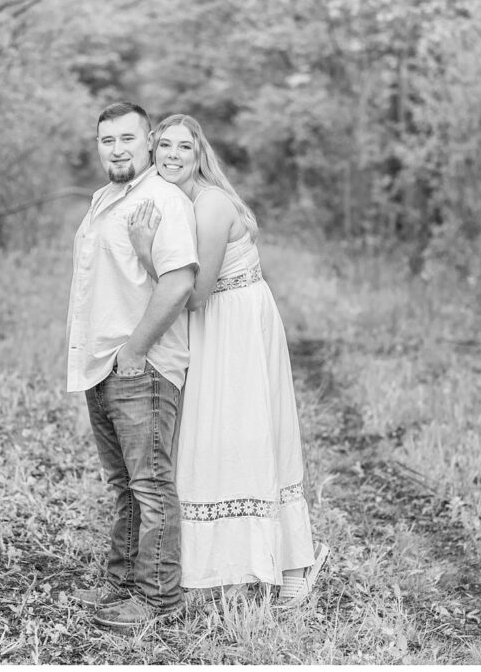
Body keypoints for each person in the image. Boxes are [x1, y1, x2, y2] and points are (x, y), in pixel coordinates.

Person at [128, 114, 329, 607]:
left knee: (249, 433)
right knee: (210, 438)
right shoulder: (175, 199)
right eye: (165, 147)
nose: (173, 155)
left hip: (234, 320)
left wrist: (144, 251)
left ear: (200, 156)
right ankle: (227, 565)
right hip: (214, 323)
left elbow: (195, 294)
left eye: (184, 148)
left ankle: (295, 563)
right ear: (154, 152)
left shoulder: (212, 204)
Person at [65, 102, 199, 629]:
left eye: (127, 139)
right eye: (106, 141)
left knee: (149, 484)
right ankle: (121, 585)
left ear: (149, 143)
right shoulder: (105, 198)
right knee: (123, 484)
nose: (116, 149)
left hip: (139, 365)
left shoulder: (161, 198)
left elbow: (179, 282)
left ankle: (158, 599)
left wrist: (135, 351)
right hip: (102, 364)